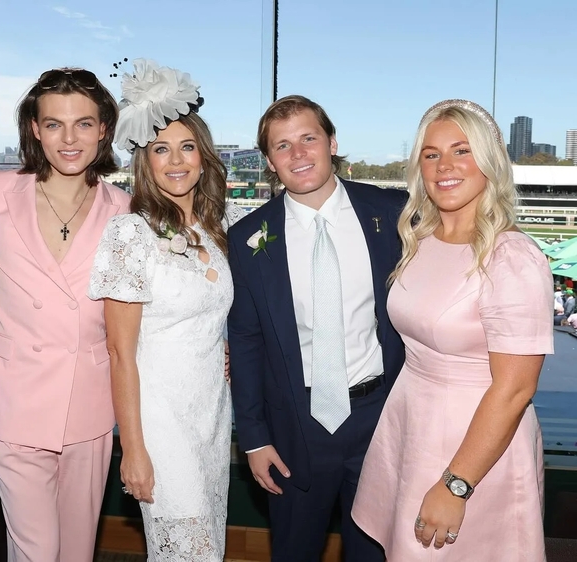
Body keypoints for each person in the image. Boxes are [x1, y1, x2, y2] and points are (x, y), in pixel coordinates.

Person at [351, 99, 553, 561]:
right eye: (431, 153)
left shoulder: (511, 257)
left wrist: (456, 485)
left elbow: (516, 389)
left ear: (489, 162)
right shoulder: (420, 240)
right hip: (412, 425)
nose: (445, 166)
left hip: (475, 446)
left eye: (461, 150)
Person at [227, 95, 407, 562]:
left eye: (309, 138)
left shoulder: (392, 213)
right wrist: (254, 436)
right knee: (293, 552)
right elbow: (245, 340)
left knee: (373, 553)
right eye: (283, 146)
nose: (299, 154)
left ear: (332, 142)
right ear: (270, 161)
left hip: (380, 418)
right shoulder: (248, 237)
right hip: (293, 427)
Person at [0, 67, 131, 562]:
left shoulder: (125, 209)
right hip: (16, 401)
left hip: (91, 406)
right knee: (37, 550)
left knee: (76, 551)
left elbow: (137, 312)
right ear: (34, 129)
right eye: (54, 123)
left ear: (104, 130)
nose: (69, 138)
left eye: (83, 123)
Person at [89, 59, 244, 561]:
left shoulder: (213, 231)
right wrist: (133, 448)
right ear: (145, 161)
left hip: (212, 419)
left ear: (203, 156)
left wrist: (226, 351)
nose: (175, 161)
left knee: (208, 547)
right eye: (161, 149)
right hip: (161, 426)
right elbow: (119, 352)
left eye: (186, 147)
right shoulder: (130, 234)